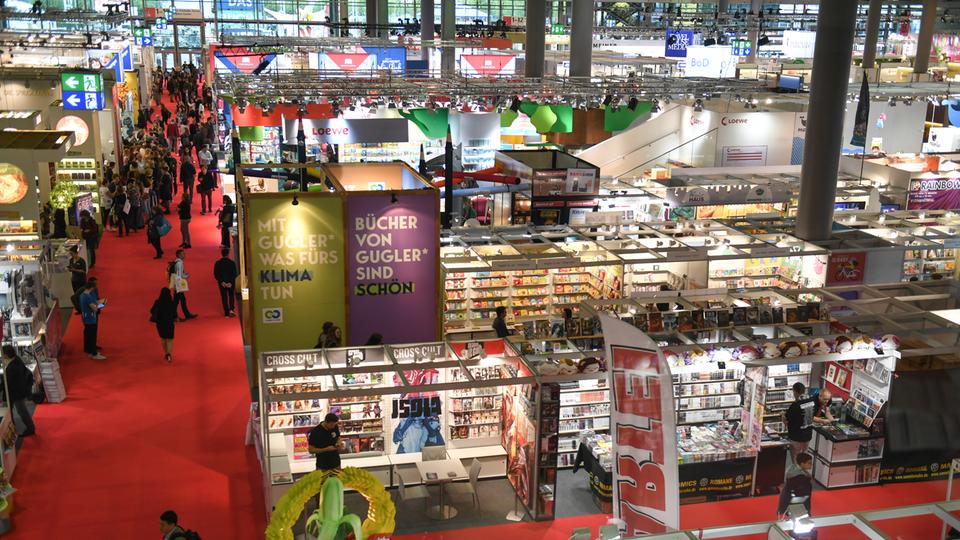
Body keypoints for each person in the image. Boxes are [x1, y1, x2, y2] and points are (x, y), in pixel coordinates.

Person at [3, 345, 35, 436]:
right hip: (20, 391)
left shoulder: (11, 368)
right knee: (19, 411)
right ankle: (26, 428)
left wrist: (5, 398)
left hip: (16, 393)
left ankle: (29, 428)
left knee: (20, 411)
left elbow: (8, 384)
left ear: (6, 355)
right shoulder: (17, 360)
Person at [784, 382, 815, 463]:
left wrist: (783, 416)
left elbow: (787, 420)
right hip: (807, 435)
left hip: (796, 436)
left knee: (795, 459)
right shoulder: (811, 402)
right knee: (804, 460)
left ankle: (797, 475)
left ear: (795, 392)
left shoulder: (795, 405)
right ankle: (803, 474)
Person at [777, 452, 813, 518]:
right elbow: (804, 493)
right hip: (796, 502)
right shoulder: (800, 478)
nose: (811, 465)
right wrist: (807, 510)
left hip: (788, 498)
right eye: (809, 463)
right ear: (802, 464)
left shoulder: (792, 468)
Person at [79, 279, 107, 360]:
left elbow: (93, 303)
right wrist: (103, 304)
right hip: (90, 318)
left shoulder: (83, 295)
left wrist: (98, 302)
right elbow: (95, 308)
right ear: (92, 287)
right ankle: (94, 353)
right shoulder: (87, 297)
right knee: (91, 335)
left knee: (88, 334)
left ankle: (89, 350)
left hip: (86, 317)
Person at [169, 249, 197, 321]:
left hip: (177, 284)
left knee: (181, 300)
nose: (184, 255)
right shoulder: (179, 263)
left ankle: (185, 314)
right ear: (178, 255)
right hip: (179, 285)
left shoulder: (176, 262)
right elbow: (180, 275)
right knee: (176, 301)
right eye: (182, 254)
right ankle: (174, 316)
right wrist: (186, 276)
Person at [151, 287, 177, 363]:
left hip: (160, 323)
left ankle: (166, 353)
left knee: (163, 338)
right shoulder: (171, 302)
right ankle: (169, 354)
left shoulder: (157, 302)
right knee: (170, 339)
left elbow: (152, 310)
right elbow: (174, 313)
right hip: (169, 323)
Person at [213, 248, 237, 317]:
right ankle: (231, 310)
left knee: (224, 296)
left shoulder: (218, 263)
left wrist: (222, 282)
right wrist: (230, 282)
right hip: (231, 282)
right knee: (231, 295)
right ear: (228, 254)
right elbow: (234, 274)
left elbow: (216, 274)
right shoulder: (232, 263)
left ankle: (226, 312)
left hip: (222, 283)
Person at [67, 246, 87, 314]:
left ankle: (84, 308)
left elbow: (84, 271)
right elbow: (71, 269)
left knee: (81, 295)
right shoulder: (71, 260)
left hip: (81, 280)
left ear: (76, 253)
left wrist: (74, 270)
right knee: (76, 295)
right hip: (74, 280)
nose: (71, 255)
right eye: (70, 254)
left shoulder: (81, 261)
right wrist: (70, 269)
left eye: (72, 253)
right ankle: (79, 309)